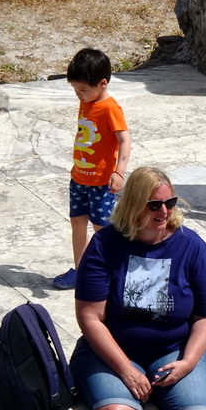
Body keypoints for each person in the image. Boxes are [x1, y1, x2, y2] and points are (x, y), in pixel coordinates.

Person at [71, 167, 206, 410]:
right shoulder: (104, 245)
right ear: (134, 205)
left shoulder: (192, 246)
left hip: (174, 349)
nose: (164, 211)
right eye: (154, 205)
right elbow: (90, 317)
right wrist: (125, 369)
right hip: (111, 353)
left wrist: (188, 362)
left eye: (169, 203)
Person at [53, 48, 132, 290]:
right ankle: (81, 269)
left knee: (102, 228)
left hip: (101, 182)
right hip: (79, 179)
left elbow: (124, 140)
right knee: (77, 222)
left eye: (83, 90)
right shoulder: (87, 101)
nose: (78, 95)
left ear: (102, 83)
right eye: (75, 90)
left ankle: (111, 272)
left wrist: (118, 173)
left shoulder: (110, 108)